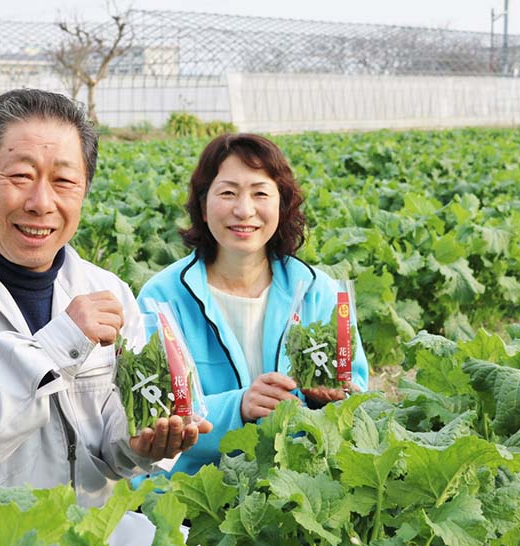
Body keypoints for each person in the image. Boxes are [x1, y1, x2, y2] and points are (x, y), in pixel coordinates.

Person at [0, 89, 210, 546]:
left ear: (84, 192)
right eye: (20, 176)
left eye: (63, 181)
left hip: (90, 535)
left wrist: (140, 446)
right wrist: (57, 345)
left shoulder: (109, 292)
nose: (40, 202)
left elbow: (113, 449)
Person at [137, 133, 369, 478]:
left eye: (260, 193)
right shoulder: (163, 297)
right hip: (191, 495)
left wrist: (332, 399)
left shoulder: (317, 291)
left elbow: (358, 396)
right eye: (228, 193)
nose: (244, 210)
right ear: (203, 205)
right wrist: (238, 408)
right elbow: (148, 418)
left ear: (281, 204)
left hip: (298, 488)